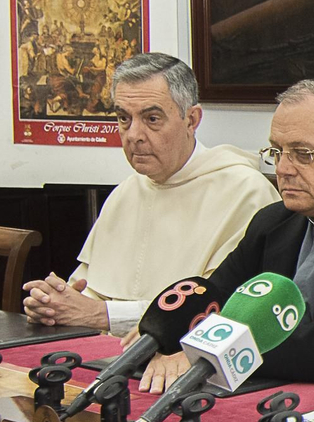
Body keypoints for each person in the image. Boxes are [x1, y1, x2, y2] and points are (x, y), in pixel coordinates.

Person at [136, 80, 314, 392]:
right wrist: (164, 339)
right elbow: (214, 300)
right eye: (277, 151)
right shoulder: (272, 222)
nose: (284, 169)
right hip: (268, 394)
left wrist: (222, 351)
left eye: (303, 153)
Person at [22, 53, 277, 334]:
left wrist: (103, 315)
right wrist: (51, 303)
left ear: (191, 120)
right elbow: (84, 293)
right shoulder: (126, 192)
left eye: (151, 118)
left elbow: (221, 308)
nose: (133, 135)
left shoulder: (246, 193)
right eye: (123, 118)